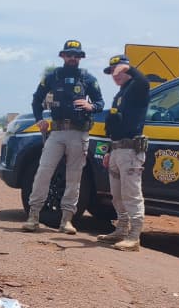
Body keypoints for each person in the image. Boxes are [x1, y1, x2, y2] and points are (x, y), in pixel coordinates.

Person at [22, 39, 104, 234]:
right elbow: (36, 100)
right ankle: (33, 216)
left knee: (74, 177)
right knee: (43, 172)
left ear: (80, 58)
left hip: (79, 132)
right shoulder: (53, 76)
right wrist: (39, 119)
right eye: (69, 55)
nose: (73, 58)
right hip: (57, 132)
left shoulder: (88, 79)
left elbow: (100, 101)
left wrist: (91, 106)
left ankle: (66, 220)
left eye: (76, 55)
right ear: (63, 56)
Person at [95, 55, 150, 251]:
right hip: (117, 149)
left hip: (130, 151)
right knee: (116, 195)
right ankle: (121, 229)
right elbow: (115, 125)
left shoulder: (137, 88)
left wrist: (129, 68)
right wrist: (110, 150)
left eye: (118, 71)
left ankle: (134, 236)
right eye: (112, 72)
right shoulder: (120, 94)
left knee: (131, 194)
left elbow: (144, 81)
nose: (115, 75)